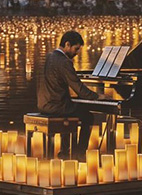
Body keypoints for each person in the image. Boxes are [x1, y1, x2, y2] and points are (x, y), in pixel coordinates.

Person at [36, 31, 101, 160]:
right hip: (56, 106)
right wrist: (98, 97)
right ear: (67, 44)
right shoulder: (64, 62)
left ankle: (65, 152)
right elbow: (79, 88)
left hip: (43, 104)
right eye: (76, 49)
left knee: (72, 110)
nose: (77, 53)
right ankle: (79, 153)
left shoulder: (50, 56)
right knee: (88, 116)